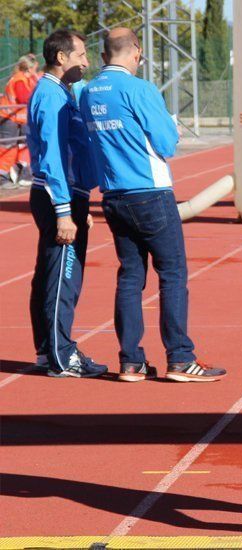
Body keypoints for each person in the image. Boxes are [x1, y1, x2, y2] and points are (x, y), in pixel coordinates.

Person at [80, 28, 226, 383]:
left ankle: (131, 361)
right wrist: (170, 128)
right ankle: (180, 357)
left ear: (103, 55)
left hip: (113, 195)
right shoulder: (139, 88)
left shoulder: (87, 92)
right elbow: (166, 141)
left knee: (130, 277)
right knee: (173, 274)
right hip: (150, 192)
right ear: (136, 53)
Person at [27, 29, 107, 377]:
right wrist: (64, 211)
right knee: (62, 277)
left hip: (67, 195)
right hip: (56, 196)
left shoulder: (61, 92)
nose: (87, 62)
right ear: (61, 58)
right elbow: (54, 155)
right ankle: (61, 356)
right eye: (81, 55)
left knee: (50, 274)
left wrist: (81, 204)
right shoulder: (51, 95)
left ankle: (49, 351)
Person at [0, 56, 38, 189]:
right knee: (7, 147)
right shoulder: (20, 80)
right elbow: (23, 97)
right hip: (8, 116)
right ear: (30, 68)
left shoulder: (22, 78)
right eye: (35, 68)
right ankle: (2, 177)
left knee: (17, 147)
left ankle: (16, 171)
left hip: (14, 117)